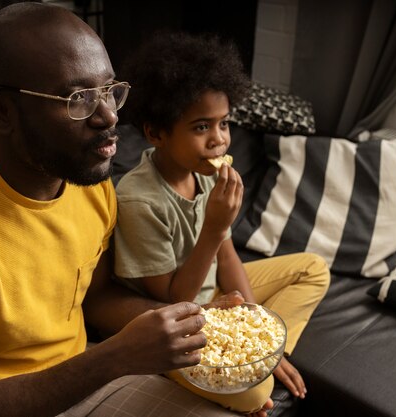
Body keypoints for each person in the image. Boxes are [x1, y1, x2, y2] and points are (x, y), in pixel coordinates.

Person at [0, 4, 250, 417]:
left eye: (110, 90)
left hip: (85, 379)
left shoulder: (88, 184)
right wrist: (114, 358)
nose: (109, 116)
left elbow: (98, 297)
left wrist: (187, 321)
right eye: (79, 98)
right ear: (1, 112)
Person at [113, 32, 331, 417]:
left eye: (224, 124)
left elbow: (228, 257)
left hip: (215, 298)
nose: (219, 141)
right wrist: (213, 228)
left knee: (314, 268)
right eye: (201, 127)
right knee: (254, 392)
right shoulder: (139, 200)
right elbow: (171, 300)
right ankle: (199, 370)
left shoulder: (209, 175)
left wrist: (255, 332)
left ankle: (262, 353)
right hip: (176, 318)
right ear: (155, 133)